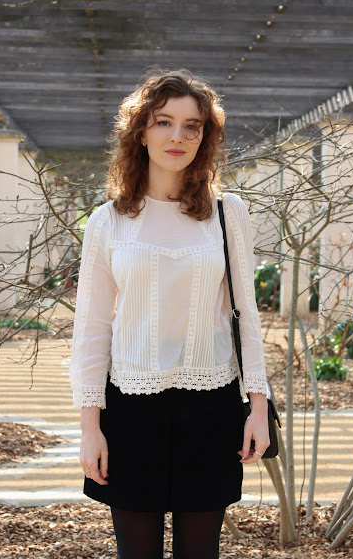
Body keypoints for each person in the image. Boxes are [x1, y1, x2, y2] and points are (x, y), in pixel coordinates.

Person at [69, 67, 270, 559]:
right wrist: (90, 428)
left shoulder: (228, 213)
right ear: (141, 132)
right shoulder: (108, 221)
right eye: (164, 122)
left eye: (192, 126)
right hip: (130, 409)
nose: (178, 136)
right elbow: (92, 328)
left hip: (212, 408)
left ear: (205, 137)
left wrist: (258, 408)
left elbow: (246, 313)